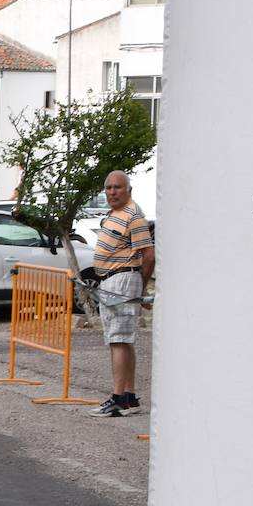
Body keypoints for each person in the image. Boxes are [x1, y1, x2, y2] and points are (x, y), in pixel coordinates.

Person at [90, 171, 155, 418]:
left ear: (129, 189)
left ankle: (118, 398)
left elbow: (148, 255)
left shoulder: (133, 216)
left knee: (119, 340)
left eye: (117, 187)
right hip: (110, 281)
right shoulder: (114, 214)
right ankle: (128, 397)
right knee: (120, 340)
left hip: (122, 279)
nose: (112, 192)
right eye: (108, 188)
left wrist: (140, 287)